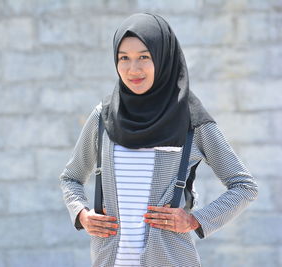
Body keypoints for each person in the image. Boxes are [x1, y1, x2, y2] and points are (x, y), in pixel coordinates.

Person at [59, 13, 258, 267]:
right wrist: (82, 214)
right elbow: (71, 178)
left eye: (144, 56)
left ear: (163, 57)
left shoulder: (191, 120)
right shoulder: (103, 117)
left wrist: (196, 220)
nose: (133, 69)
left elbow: (244, 185)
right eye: (124, 58)